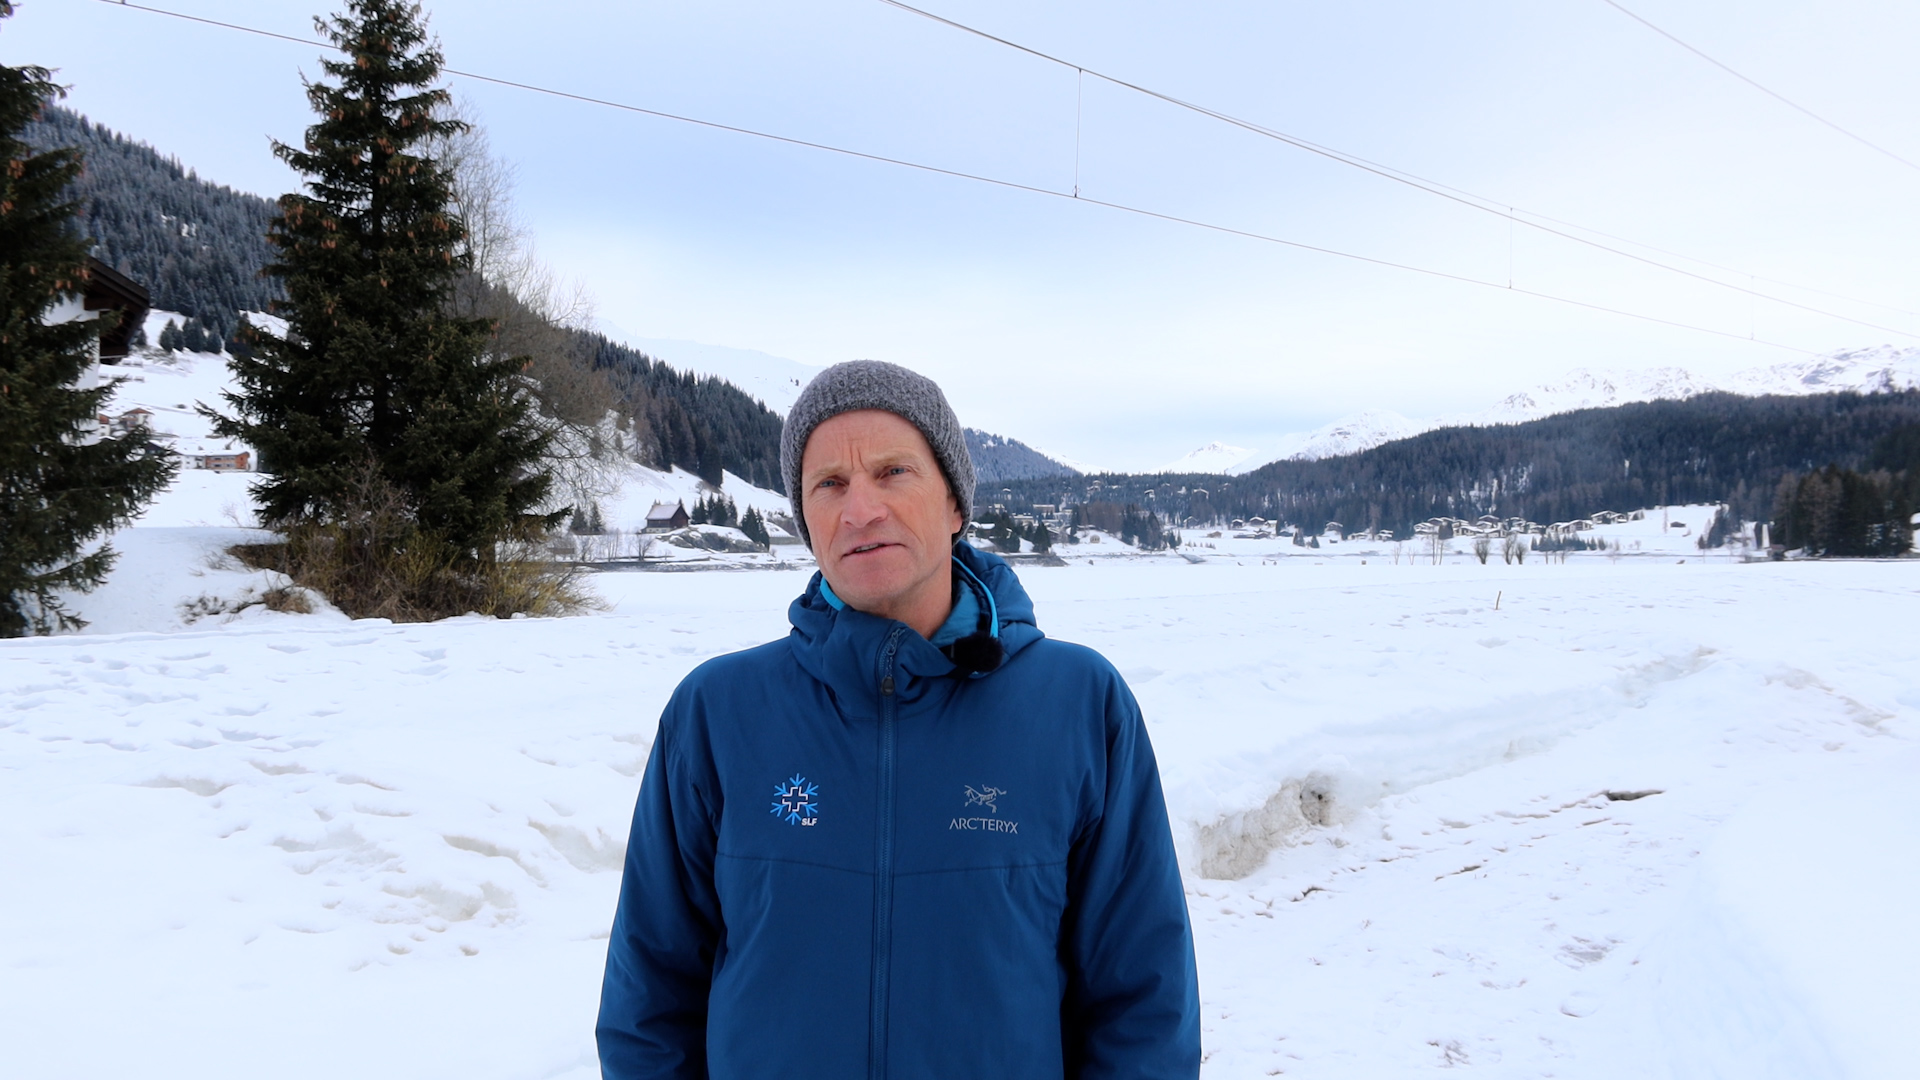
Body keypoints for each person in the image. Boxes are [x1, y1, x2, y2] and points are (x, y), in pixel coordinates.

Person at [597, 360, 1200, 1079]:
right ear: (807, 522)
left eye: (893, 473)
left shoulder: (1077, 705)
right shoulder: (718, 712)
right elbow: (650, 999)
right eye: (829, 484)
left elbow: (1143, 1004)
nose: (860, 510)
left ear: (954, 505)